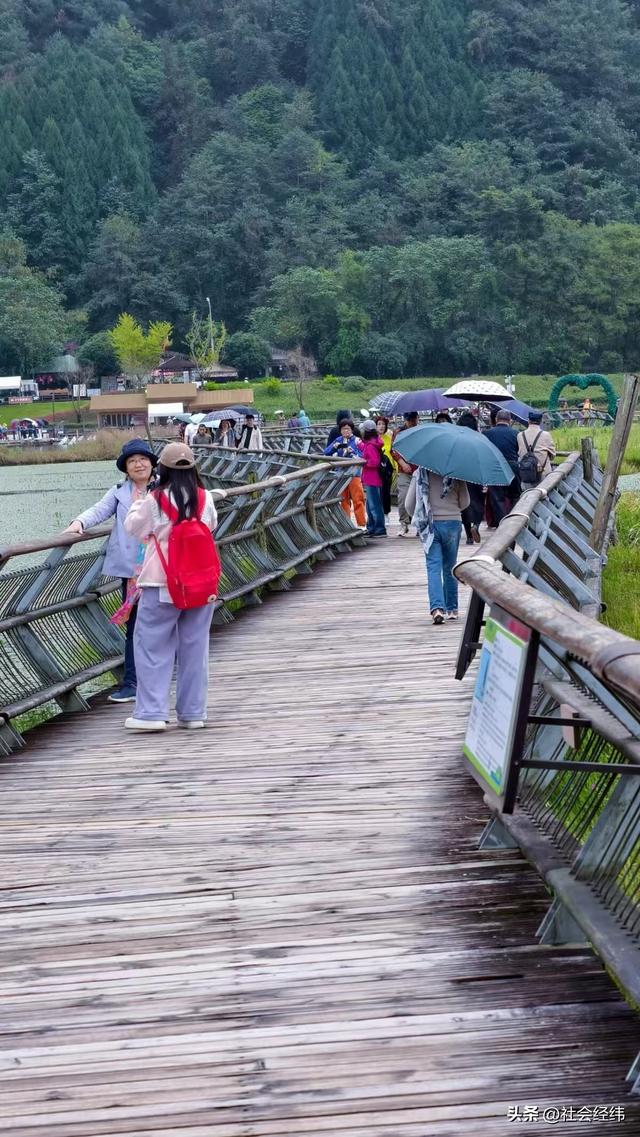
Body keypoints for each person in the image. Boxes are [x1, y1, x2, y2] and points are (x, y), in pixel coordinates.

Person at [122, 442, 218, 732]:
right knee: (195, 647)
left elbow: (133, 527)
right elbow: (211, 526)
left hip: (160, 583)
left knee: (152, 647)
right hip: (200, 584)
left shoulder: (154, 500)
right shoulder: (205, 498)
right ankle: (193, 713)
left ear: (161, 469)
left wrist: (140, 500)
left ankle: (151, 713)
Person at [64, 439, 159, 704]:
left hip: (162, 567)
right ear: (125, 468)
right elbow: (99, 510)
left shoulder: (165, 487)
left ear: (152, 463)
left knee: (161, 624)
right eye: (132, 461)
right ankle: (132, 683)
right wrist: (79, 522)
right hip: (133, 571)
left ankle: (158, 680)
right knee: (134, 625)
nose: (138, 465)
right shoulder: (119, 492)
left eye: (143, 459)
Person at [407, 468, 470, 624]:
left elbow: (408, 505)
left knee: (433, 567)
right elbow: (465, 502)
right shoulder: (457, 472)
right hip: (453, 523)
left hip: (430, 524)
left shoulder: (420, 473)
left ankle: (437, 609)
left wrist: (422, 512)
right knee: (450, 567)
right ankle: (452, 609)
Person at [324, 421, 366, 528]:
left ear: (352, 430)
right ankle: (346, 525)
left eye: (348, 428)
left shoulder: (357, 440)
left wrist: (352, 452)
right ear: (340, 430)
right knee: (343, 499)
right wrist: (334, 447)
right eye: (343, 429)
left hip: (354, 473)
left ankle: (361, 524)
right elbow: (326, 452)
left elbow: (364, 454)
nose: (346, 431)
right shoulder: (338, 440)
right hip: (341, 473)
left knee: (358, 498)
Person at [483, 409, 521, 525]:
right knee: (515, 496)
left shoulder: (486, 433)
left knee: (497, 498)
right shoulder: (516, 433)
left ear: (496, 419)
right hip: (512, 467)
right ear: (510, 420)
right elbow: (519, 451)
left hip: (495, 468)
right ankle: (514, 522)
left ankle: (502, 524)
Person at [457, 411, 485, 545]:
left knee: (464, 503)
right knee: (478, 500)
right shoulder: (479, 438)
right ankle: (476, 525)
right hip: (476, 472)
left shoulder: (457, 439)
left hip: (461, 472)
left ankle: (469, 535)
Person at [391, 411, 419, 536]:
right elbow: (394, 450)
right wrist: (402, 463)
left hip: (418, 469)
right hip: (404, 470)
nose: (411, 422)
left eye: (413, 420)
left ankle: (419, 524)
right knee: (403, 497)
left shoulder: (421, 431)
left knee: (419, 498)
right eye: (409, 420)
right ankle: (404, 523)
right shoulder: (398, 432)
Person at [360, 419, 387, 537]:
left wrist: (363, 462)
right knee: (371, 505)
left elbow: (374, 462)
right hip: (372, 478)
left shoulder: (370, 445)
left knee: (374, 505)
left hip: (372, 478)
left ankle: (379, 528)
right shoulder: (373, 443)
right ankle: (372, 527)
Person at [517, 410, 556, 484]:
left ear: (529, 420)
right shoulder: (546, 435)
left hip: (526, 474)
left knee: (527, 491)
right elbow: (553, 455)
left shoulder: (520, 435)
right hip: (543, 475)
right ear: (540, 421)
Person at [375, 416, 396, 517]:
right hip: (375, 468)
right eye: (379, 424)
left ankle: (386, 514)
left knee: (386, 491)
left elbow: (393, 453)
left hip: (387, 468)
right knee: (376, 492)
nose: (381, 426)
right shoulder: (373, 439)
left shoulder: (389, 438)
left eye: (383, 424)